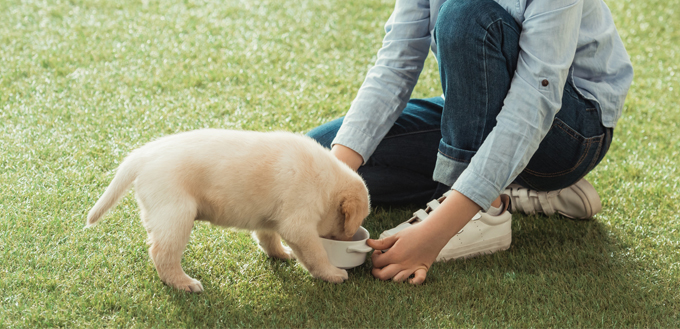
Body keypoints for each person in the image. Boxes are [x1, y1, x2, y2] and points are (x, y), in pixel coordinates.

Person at [307, 0, 633, 284]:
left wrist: (434, 233)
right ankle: (509, 185)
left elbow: (534, 103)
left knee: (465, 17)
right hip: (481, 114)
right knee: (318, 157)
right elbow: (396, 61)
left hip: (571, 132)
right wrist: (335, 178)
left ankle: (483, 213)